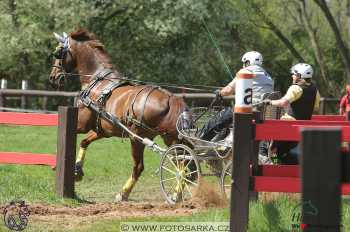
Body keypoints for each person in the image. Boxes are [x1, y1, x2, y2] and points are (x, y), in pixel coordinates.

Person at [199, 51, 274, 141]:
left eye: (244, 63)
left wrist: (220, 93)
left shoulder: (245, 71)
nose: (243, 65)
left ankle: (200, 138)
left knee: (220, 118)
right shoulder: (268, 76)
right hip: (263, 113)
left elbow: (228, 90)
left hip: (246, 111)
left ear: (248, 62)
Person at [264, 63, 320, 164]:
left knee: (272, 150)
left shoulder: (296, 88)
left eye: (294, 74)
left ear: (299, 75)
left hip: (287, 126)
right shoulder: (315, 90)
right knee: (284, 152)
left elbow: (283, 102)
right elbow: (315, 108)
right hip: (302, 129)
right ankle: (282, 168)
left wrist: (269, 102)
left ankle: (276, 167)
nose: (292, 76)